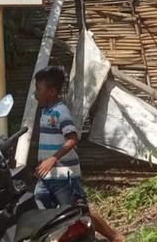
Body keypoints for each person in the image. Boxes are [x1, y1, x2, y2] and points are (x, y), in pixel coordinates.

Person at [31, 67, 124, 242]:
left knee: (79, 211)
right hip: (46, 176)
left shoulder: (60, 111)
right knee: (43, 211)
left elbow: (72, 139)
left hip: (64, 176)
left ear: (52, 92)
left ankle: (114, 236)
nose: (35, 94)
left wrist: (52, 159)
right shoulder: (45, 110)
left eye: (38, 89)